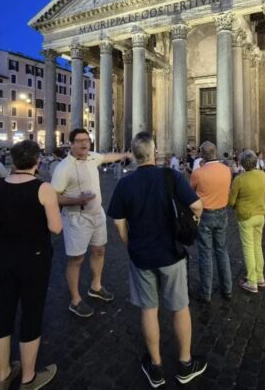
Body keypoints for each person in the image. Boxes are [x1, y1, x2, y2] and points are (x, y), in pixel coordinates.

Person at [108, 131, 206, 388]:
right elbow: (196, 205)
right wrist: (193, 222)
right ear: (154, 152)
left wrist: (129, 242)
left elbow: (118, 223)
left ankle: (156, 366)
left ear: (134, 155)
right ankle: (185, 364)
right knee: (179, 307)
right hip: (171, 254)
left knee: (149, 311)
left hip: (141, 256)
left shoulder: (125, 184)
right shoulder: (170, 176)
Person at [0, 140, 62, 389]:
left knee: (1, 314)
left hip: (0, 259)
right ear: (37, 161)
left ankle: (3, 375)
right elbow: (56, 227)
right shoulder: (43, 188)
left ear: (12, 160)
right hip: (33, 259)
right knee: (31, 315)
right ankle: (28, 377)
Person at [51, 128, 130, 317]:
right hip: (76, 218)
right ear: (71, 144)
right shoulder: (63, 168)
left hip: (97, 214)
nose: (84, 143)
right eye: (79, 141)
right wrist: (76, 200)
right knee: (76, 259)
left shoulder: (92, 157)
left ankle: (96, 286)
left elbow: (107, 157)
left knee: (99, 250)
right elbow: (53, 197)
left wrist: (126, 154)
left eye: (86, 140)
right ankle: (75, 300)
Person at [190, 141, 232, 302]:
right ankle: (227, 289)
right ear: (215, 152)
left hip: (205, 215)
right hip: (222, 213)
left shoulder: (198, 173)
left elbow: (191, 193)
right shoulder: (227, 170)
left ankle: (206, 293)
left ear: (202, 154)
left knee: (205, 253)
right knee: (222, 251)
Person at [228, 150, 265, 293]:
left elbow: (231, 201)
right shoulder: (262, 174)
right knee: (258, 247)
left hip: (246, 216)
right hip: (260, 215)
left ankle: (251, 281)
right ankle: (260, 277)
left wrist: (234, 203)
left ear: (242, 163)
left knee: (248, 248)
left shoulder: (240, 179)